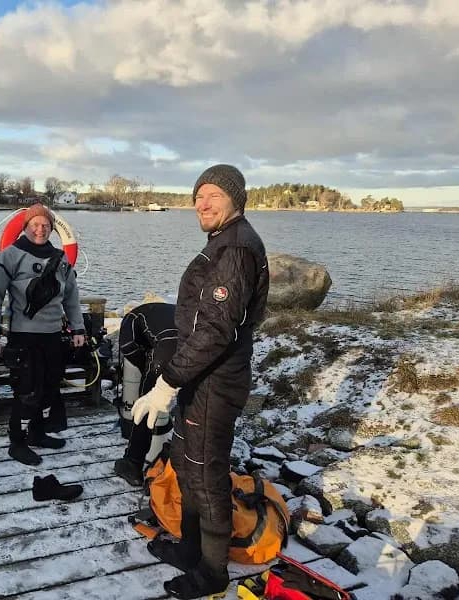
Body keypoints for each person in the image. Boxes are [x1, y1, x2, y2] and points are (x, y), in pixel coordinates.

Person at [131, 165, 269, 599]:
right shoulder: (225, 242)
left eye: (212, 195)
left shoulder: (236, 249)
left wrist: (166, 383)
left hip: (215, 382)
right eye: (197, 196)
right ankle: (191, 549)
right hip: (201, 378)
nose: (202, 204)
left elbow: (215, 331)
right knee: (188, 466)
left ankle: (212, 572)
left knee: (206, 475)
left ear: (235, 199)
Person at [0, 203, 86, 466]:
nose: (40, 229)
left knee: (49, 387)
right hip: (23, 336)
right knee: (25, 391)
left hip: (52, 336)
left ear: (52, 228)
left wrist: (78, 328)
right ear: (25, 227)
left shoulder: (61, 259)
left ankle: (37, 434)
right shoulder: (10, 255)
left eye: (45, 225)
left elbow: (71, 298)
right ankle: (17, 442)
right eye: (35, 225)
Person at [113, 301, 177, 486]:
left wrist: (149, 377)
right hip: (198, 344)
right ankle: (184, 462)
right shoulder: (168, 311)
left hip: (167, 348)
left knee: (145, 406)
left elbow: (130, 351)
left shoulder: (130, 321)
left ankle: (133, 463)